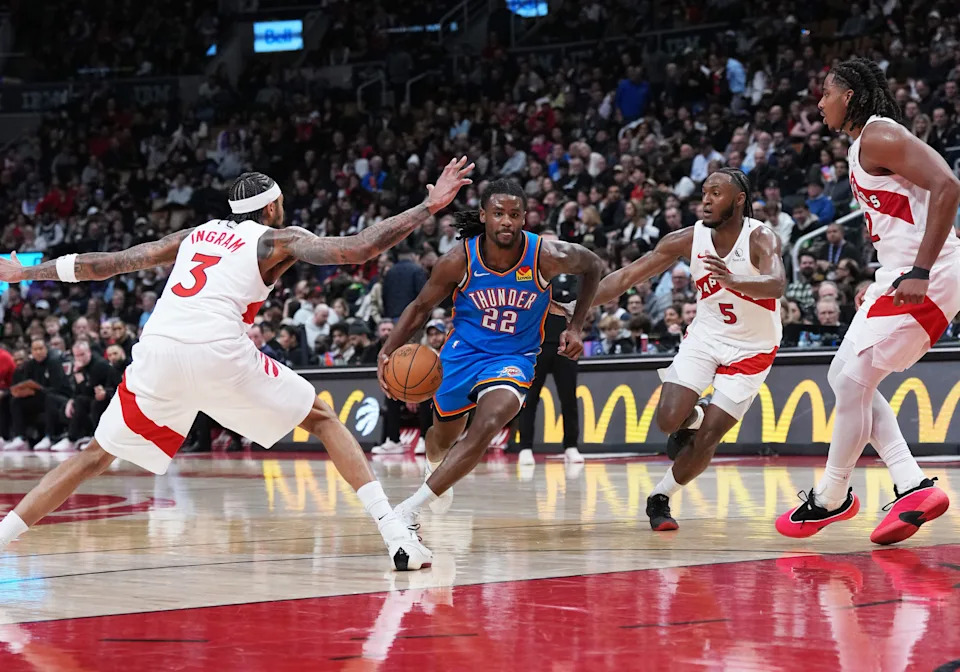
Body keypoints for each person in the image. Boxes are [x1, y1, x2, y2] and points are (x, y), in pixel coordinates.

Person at [0, 158, 475, 571]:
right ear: (271, 208)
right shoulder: (277, 239)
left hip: (158, 348)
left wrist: (25, 272)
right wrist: (428, 207)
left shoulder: (195, 234)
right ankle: (397, 537)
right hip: (214, 347)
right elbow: (358, 249)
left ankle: (3, 536)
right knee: (323, 419)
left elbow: (109, 264)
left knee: (94, 457)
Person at [777, 58, 960, 544]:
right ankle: (911, 484)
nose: (820, 103)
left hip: (931, 271)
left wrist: (918, 271)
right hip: (901, 273)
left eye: (826, 94)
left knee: (853, 375)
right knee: (844, 376)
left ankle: (832, 497)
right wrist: (882, 279)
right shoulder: (865, 145)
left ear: (850, 97)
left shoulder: (880, 135)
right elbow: (902, 219)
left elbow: (948, 186)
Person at [378, 179, 602, 530]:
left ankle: (410, 509)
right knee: (440, 438)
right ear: (484, 216)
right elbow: (421, 307)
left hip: (514, 357)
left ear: (525, 218)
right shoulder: (458, 260)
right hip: (461, 354)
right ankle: (435, 467)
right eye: (498, 213)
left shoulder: (545, 255)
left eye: (514, 214)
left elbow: (593, 265)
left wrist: (576, 326)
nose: (507, 221)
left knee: (486, 425)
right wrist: (387, 350)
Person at [576, 168, 784, 531]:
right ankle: (696, 414)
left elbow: (777, 283)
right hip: (706, 336)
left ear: (738, 200)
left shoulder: (760, 237)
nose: (706, 199)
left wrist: (734, 280)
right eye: (704, 191)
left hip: (752, 349)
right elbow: (625, 278)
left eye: (716, 193)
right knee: (669, 419)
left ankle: (660, 496)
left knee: (707, 440)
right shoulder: (689, 239)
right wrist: (572, 307)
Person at [516, 231, 583, 467]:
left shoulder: (572, 274)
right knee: (529, 398)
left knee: (568, 398)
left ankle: (571, 447)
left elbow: (574, 301)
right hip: (535, 345)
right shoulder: (526, 271)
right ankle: (525, 447)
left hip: (565, 343)